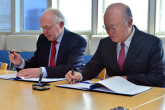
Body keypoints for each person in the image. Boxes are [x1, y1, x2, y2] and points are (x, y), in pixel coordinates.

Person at [65, 3, 165, 87]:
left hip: (144, 98)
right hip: (112, 97)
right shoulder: (105, 43)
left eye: (113, 28)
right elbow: (92, 68)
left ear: (129, 22)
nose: (109, 32)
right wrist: (79, 74)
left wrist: (125, 79)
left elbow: (159, 78)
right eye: (106, 27)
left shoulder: (152, 43)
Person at [9, 8, 87, 78]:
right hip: (43, 86)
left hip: (66, 86)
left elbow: (72, 68)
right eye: (42, 28)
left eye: (48, 28)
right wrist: (21, 62)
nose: (44, 32)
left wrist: (42, 71)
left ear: (61, 25)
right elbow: (36, 63)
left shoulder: (77, 41)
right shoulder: (42, 38)